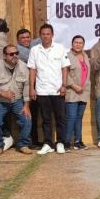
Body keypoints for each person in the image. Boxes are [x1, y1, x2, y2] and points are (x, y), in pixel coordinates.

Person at [28, 24, 70, 155]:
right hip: (42, 90)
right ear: (40, 35)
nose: (46, 36)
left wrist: (64, 85)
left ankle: (61, 143)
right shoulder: (35, 50)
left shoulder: (60, 48)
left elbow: (65, 68)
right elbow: (33, 70)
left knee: (60, 118)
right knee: (45, 119)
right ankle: (48, 143)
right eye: (43, 34)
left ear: (52, 35)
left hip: (57, 89)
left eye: (48, 34)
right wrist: (31, 88)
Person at [0, 45, 34, 155]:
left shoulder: (23, 66)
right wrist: (2, 93)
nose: (15, 56)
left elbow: (26, 86)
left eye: (16, 53)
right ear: (4, 56)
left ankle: (23, 145)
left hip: (17, 100)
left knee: (26, 119)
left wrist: (26, 106)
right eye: (11, 54)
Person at [16, 28, 42, 147]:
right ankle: (27, 141)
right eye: (23, 38)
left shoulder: (33, 46)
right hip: (22, 87)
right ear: (18, 40)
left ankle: (34, 140)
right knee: (26, 115)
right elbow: (32, 57)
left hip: (34, 85)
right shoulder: (18, 52)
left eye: (28, 37)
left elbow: (41, 39)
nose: (26, 39)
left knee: (35, 113)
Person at [65, 35, 91, 150]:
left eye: (80, 43)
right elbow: (64, 73)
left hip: (83, 91)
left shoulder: (85, 55)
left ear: (83, 45)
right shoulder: (67, 56)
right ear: (72, 44)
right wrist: (74, 86)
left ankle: (78, 141)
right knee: (71, 117)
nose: (78, 44)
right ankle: (66, 142)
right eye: (76, 42)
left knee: (79, 117)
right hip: (72, 91)